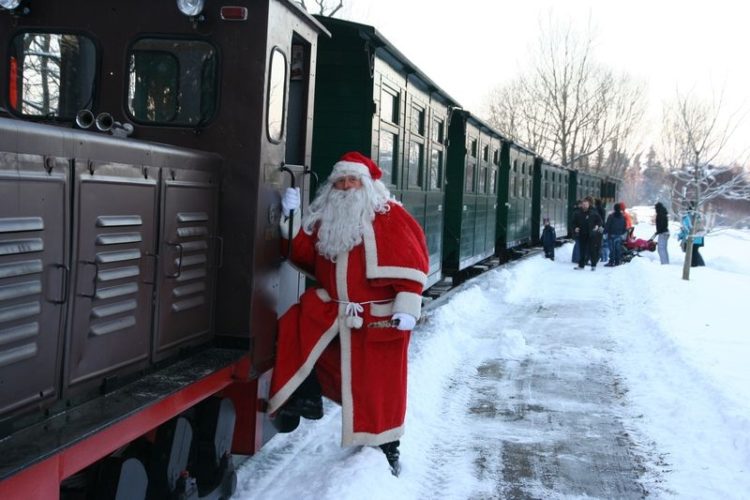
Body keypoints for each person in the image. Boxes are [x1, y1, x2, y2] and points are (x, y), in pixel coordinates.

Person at [269, 151, 429, 476]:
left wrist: (408, 307)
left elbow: (413, 265)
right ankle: (306, 396)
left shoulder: (391, 217)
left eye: (352, 180)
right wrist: (290, 218)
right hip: (333, 311)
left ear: (367, 185)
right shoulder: (327, 218)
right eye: (340, 181)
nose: (345, 186)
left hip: (377, 318)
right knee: (295, 329)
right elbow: (304, 253)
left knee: (378, 390)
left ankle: (387, 449)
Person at [571, 196, 603, 270]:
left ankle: (593, 265)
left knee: (592, 250)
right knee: (582, 250)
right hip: (582, 234)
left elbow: (600, 221)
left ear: (589, 204)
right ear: (582, 204)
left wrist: (597, 226)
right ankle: (581, 265)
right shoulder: (577, 213)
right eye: (583, 204)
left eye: (586, 204)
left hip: (592, 234)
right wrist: (575, 228)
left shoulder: (593, 212)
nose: (585, 206)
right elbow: (573, 223)